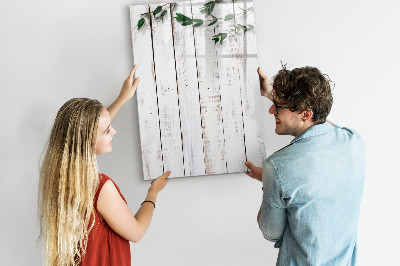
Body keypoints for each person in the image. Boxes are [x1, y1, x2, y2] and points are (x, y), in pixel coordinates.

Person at [38, 65, 170, 266]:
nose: (114, 132)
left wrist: (122, 98)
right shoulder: (100, 188)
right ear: (88, 140)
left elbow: (91, 129)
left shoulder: (59, 176)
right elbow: (136, 232)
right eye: (108, 131)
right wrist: (153, 193)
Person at [245, 66, 365, 265]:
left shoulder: (277, 167)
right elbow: (323, 125)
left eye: (278, 106)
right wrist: (271, 95)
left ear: (306, 114)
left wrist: (269, 180)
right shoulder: (353, 141)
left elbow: (270, 233)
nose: (271, 110)